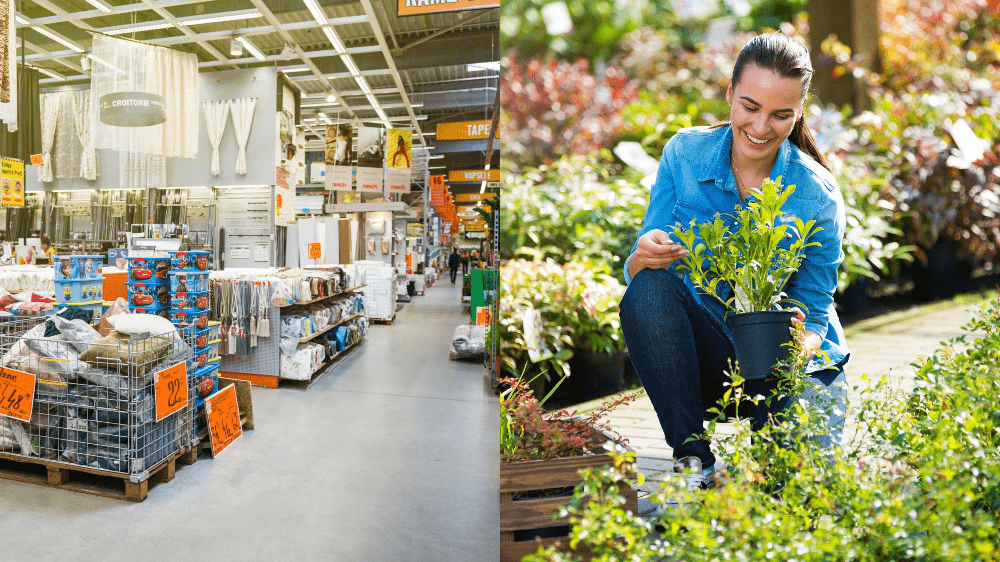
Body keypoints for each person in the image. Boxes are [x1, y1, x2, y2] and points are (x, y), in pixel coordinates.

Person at [619, 33, 849, 490]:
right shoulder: (684, 155)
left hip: (789, 362)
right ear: (729, 94)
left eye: (781, 114)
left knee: (794, 493)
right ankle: (694, 460)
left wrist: (797, 348)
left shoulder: (815, 193)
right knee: (647, 290)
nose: (761, 127)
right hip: (710, 357)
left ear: (798, 113)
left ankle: (775, 444)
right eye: (750, 107)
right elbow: (641, 270)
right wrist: (642, 257)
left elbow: (816, 309)